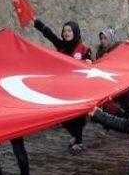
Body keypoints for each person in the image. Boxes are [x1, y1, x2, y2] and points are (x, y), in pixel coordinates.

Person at [33, 18, 92, 153]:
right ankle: (75, 135)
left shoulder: (84, 49)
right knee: (63, 116)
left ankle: (78, 141)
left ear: (75, 32)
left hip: (79, 89)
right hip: (63, 89)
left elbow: (91, 63)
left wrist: (89, 62)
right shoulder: (61, 46)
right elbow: (49, 35)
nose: (66, 33)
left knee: (78, 116)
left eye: (69, 31)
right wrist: (38, 23)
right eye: (64, 31)